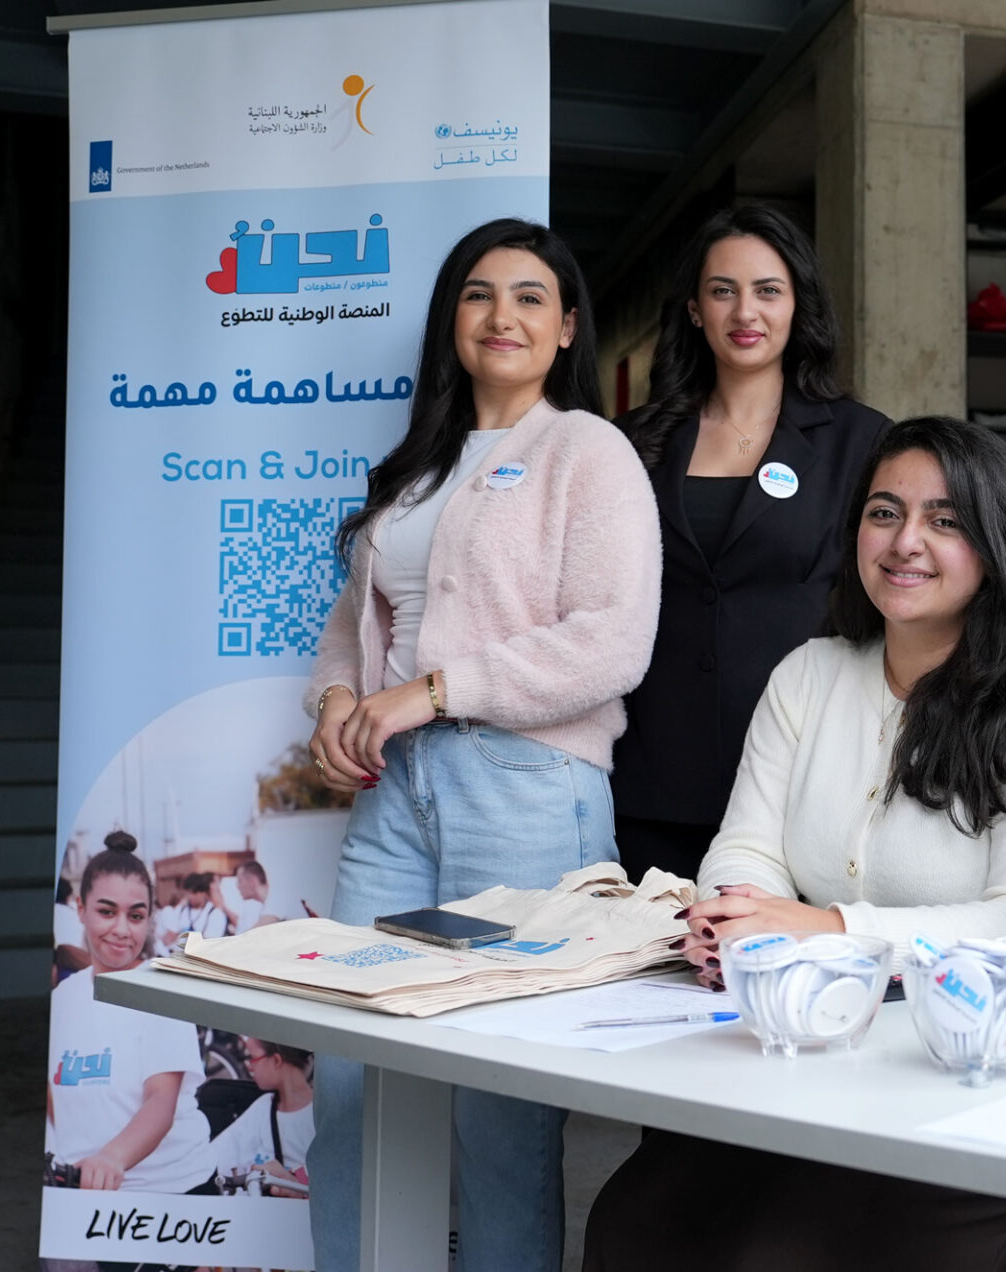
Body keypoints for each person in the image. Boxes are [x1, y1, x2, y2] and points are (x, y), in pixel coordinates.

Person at [583, 416, 1006, 1272]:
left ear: (997, 540)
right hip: (801, 1051)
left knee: (773, 1253)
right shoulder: (811, 672)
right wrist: (735, 917)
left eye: (946, 520)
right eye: (885, 512)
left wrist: (831, 932)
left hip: (967, 1078)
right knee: (635, 1219)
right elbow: (746, 850)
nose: (908, 542)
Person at [303, 217, 660, 1272]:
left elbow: (611, 642)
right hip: (394, 795)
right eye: (477, 294)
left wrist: (435, 689)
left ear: (564, 331)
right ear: (450, 323)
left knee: (499, 1117)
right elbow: (346, 627)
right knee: (352, 1089)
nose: (501, 315)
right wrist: (335, 703)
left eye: (530, 297)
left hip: (527, 793)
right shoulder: (412, 469)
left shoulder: (586, 450)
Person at [612, 204, 889, 881]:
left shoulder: (861, 440)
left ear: (798, 305)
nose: (746, 312)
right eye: (722, 290)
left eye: (768, 290)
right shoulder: (633, 441)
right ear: (693, 310)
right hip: (653, 780)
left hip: (802, 780)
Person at [47, 839, 216, 1196]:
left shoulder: (162, 992)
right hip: (85, 1196)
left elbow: (160, 1100)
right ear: (81, 909)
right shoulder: (61, 1000)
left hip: (173, 1196)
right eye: (106, 912)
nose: (122, 930)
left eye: (135, 915)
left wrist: (111, 1158)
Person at [211, 1038, 312, 1199]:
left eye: (252, 1057)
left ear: (277, 1060)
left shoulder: (321, 1115)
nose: (249, 1065)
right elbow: (215, 1158)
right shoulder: (263, 1107)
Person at [156, 872, 226, 955]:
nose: (190, 896)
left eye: (194, 893)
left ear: (203, 892)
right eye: (188, 892)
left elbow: (209, 944)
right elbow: (169, 936)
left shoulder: (215, 914)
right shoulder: (180, 910)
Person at [223, 860, 276, 934]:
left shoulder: (272, 904)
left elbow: (247, 936)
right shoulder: (257, 905)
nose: (238, 886)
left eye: (240, 881)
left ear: (252, 881)